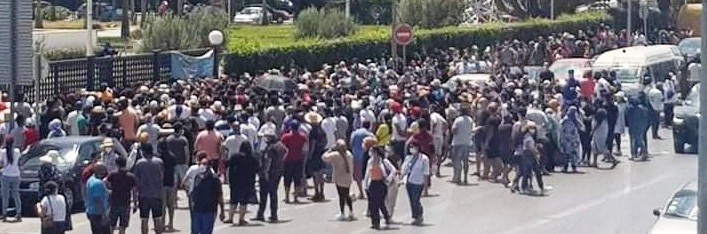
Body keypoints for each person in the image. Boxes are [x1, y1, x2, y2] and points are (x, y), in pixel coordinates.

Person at [253, 129, 285, 222]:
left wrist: (265, 173)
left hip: (269, 174)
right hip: (277, 172)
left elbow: (268, 161)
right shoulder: (281, 145)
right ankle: (273, 214)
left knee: (264, 194)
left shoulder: (271, 148)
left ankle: (261, 214)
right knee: (273, 194)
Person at [132, 144, 165, 234]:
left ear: (143, 151)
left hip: (143, 195)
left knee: (144, 220)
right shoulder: (159, 162)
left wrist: (135, 200)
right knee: (158, 218)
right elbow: (162, 176)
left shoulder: (139, 163)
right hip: (157, 195)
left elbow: (135, 182)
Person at [225, 143, 259, 225]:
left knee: (233, 200)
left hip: (235, 181)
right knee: (244, 201)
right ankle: (241, 219)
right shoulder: (252, 158)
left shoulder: (235, 156)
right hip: (247, 182)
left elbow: (228, 164)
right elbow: (257, 169)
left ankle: (230, 218)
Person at [191, 157, 226, 234]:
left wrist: (222, 211)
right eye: (200, 164)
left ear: (209, 166)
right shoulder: (197, 177)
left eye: (204, 164)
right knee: (195, 231)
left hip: (209, 210)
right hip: (197, 209)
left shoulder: (215, 179)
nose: (202, 166)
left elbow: (220, 195)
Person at [364, 146, 395, 229]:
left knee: (377, 204)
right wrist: (365, 184)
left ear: (376, 152)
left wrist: (389, 179)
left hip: (381, 184)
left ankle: (377, 222)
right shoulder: (370, 161)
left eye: (372, 151)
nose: (371, 153)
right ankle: (376, 221)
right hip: (372, 184)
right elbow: (367, 174)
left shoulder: (383, 161)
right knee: (374, 204)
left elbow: (393, 170)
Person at [322, 139, 354, 221]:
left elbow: (324, 157)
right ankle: (351, 212)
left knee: (341, 196)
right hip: (348, 178)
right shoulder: (349, 154)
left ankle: (342, 213)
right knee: (347, 195)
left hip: (339, 178)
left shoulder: (335, 155)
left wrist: (330, 150)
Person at [400, 140, 429, 226]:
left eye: (413, 147)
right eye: (411, 147)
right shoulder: (408, 158)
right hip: (409, 182)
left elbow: (426, 173)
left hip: (418, 182)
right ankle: (415, 216)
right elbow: (404, 169)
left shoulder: (424, 159)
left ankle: (419, 214)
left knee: (416, 200)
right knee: (412, 200)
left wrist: (426, 188)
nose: (412, 149)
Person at [105, 157, 136, 234]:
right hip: (126, 203)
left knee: (111, 225)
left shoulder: (113, 174)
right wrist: (135, 203)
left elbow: (105, 182)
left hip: (114, 202)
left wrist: (109, 191)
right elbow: (135, 191)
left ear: (117, 164)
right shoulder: (131, 176)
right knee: (123, 226)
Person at [162, 122, 190, 209]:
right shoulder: (183, 139)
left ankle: (174, 203)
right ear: (180, 130)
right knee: (186, 184)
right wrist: (187, 162)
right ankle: (190, 201)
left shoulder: (168, 139)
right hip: (182, 164)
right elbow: (186, 152)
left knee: (174, 185)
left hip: (172, 165)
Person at [280, 120, 307, 203]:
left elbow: (282, 148)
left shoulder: (285, 137)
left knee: (287, 178)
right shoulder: (303, 137)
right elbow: (304, 149)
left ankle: (287, 197)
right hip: (298, 159)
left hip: (287, 159)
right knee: (297, 179)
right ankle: (296, 197)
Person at [350, 121, 374, 199]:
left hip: (357, 154)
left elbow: (351, 143)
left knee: (357, 175)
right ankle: (368, 191)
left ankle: (361, 192)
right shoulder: (370, 134)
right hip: (368, 155)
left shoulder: (355, 132)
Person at [0, 136, 21, 222]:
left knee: (5, 195)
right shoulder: (17, 151)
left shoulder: (3, 152)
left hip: (6, 175)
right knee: (16, 194)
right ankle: (19, 213)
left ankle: (4, 214)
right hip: (16, 174)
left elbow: (1, 163)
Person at [451, 106, 473, 184]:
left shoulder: (458, 120)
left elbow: (454, 130)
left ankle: (458, 177)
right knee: (465, 161)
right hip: (467, 142)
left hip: (457, 142)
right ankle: (465, 177)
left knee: (457, 160)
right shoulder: (470, 120)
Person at [85, 164, 110, 234]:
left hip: (91, 211)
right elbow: (98, 200)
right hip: (98, 213)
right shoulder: (97, 183)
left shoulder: (90, 180)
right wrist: (104, 215)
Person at [559, 106, 583, 173]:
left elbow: (581, 127)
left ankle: (573, 167)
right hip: (567, 139)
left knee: (573, 153)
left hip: (573, 139)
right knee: (567, 153)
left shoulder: (575, 119)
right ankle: (565, 167)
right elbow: (561, 129)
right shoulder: (566, 119)